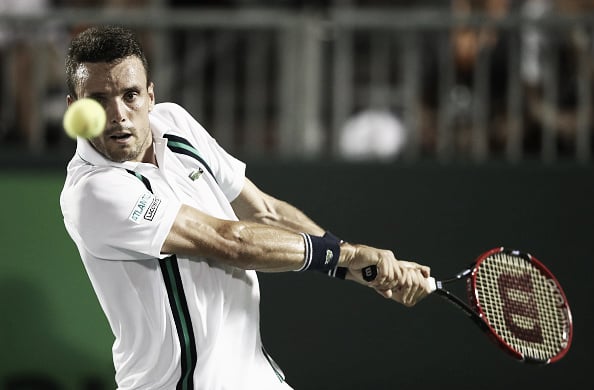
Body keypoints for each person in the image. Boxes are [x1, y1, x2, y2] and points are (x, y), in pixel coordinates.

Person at [59, 25, 431, 390]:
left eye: (130, 95)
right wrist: (347, 256)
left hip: (256, 376)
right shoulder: (92, 192)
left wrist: (355, 266)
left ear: (151, 96)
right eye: (99, 100)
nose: (118, 114)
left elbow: (263, 210)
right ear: (75, 108)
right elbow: (230, 241)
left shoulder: (174, 122)